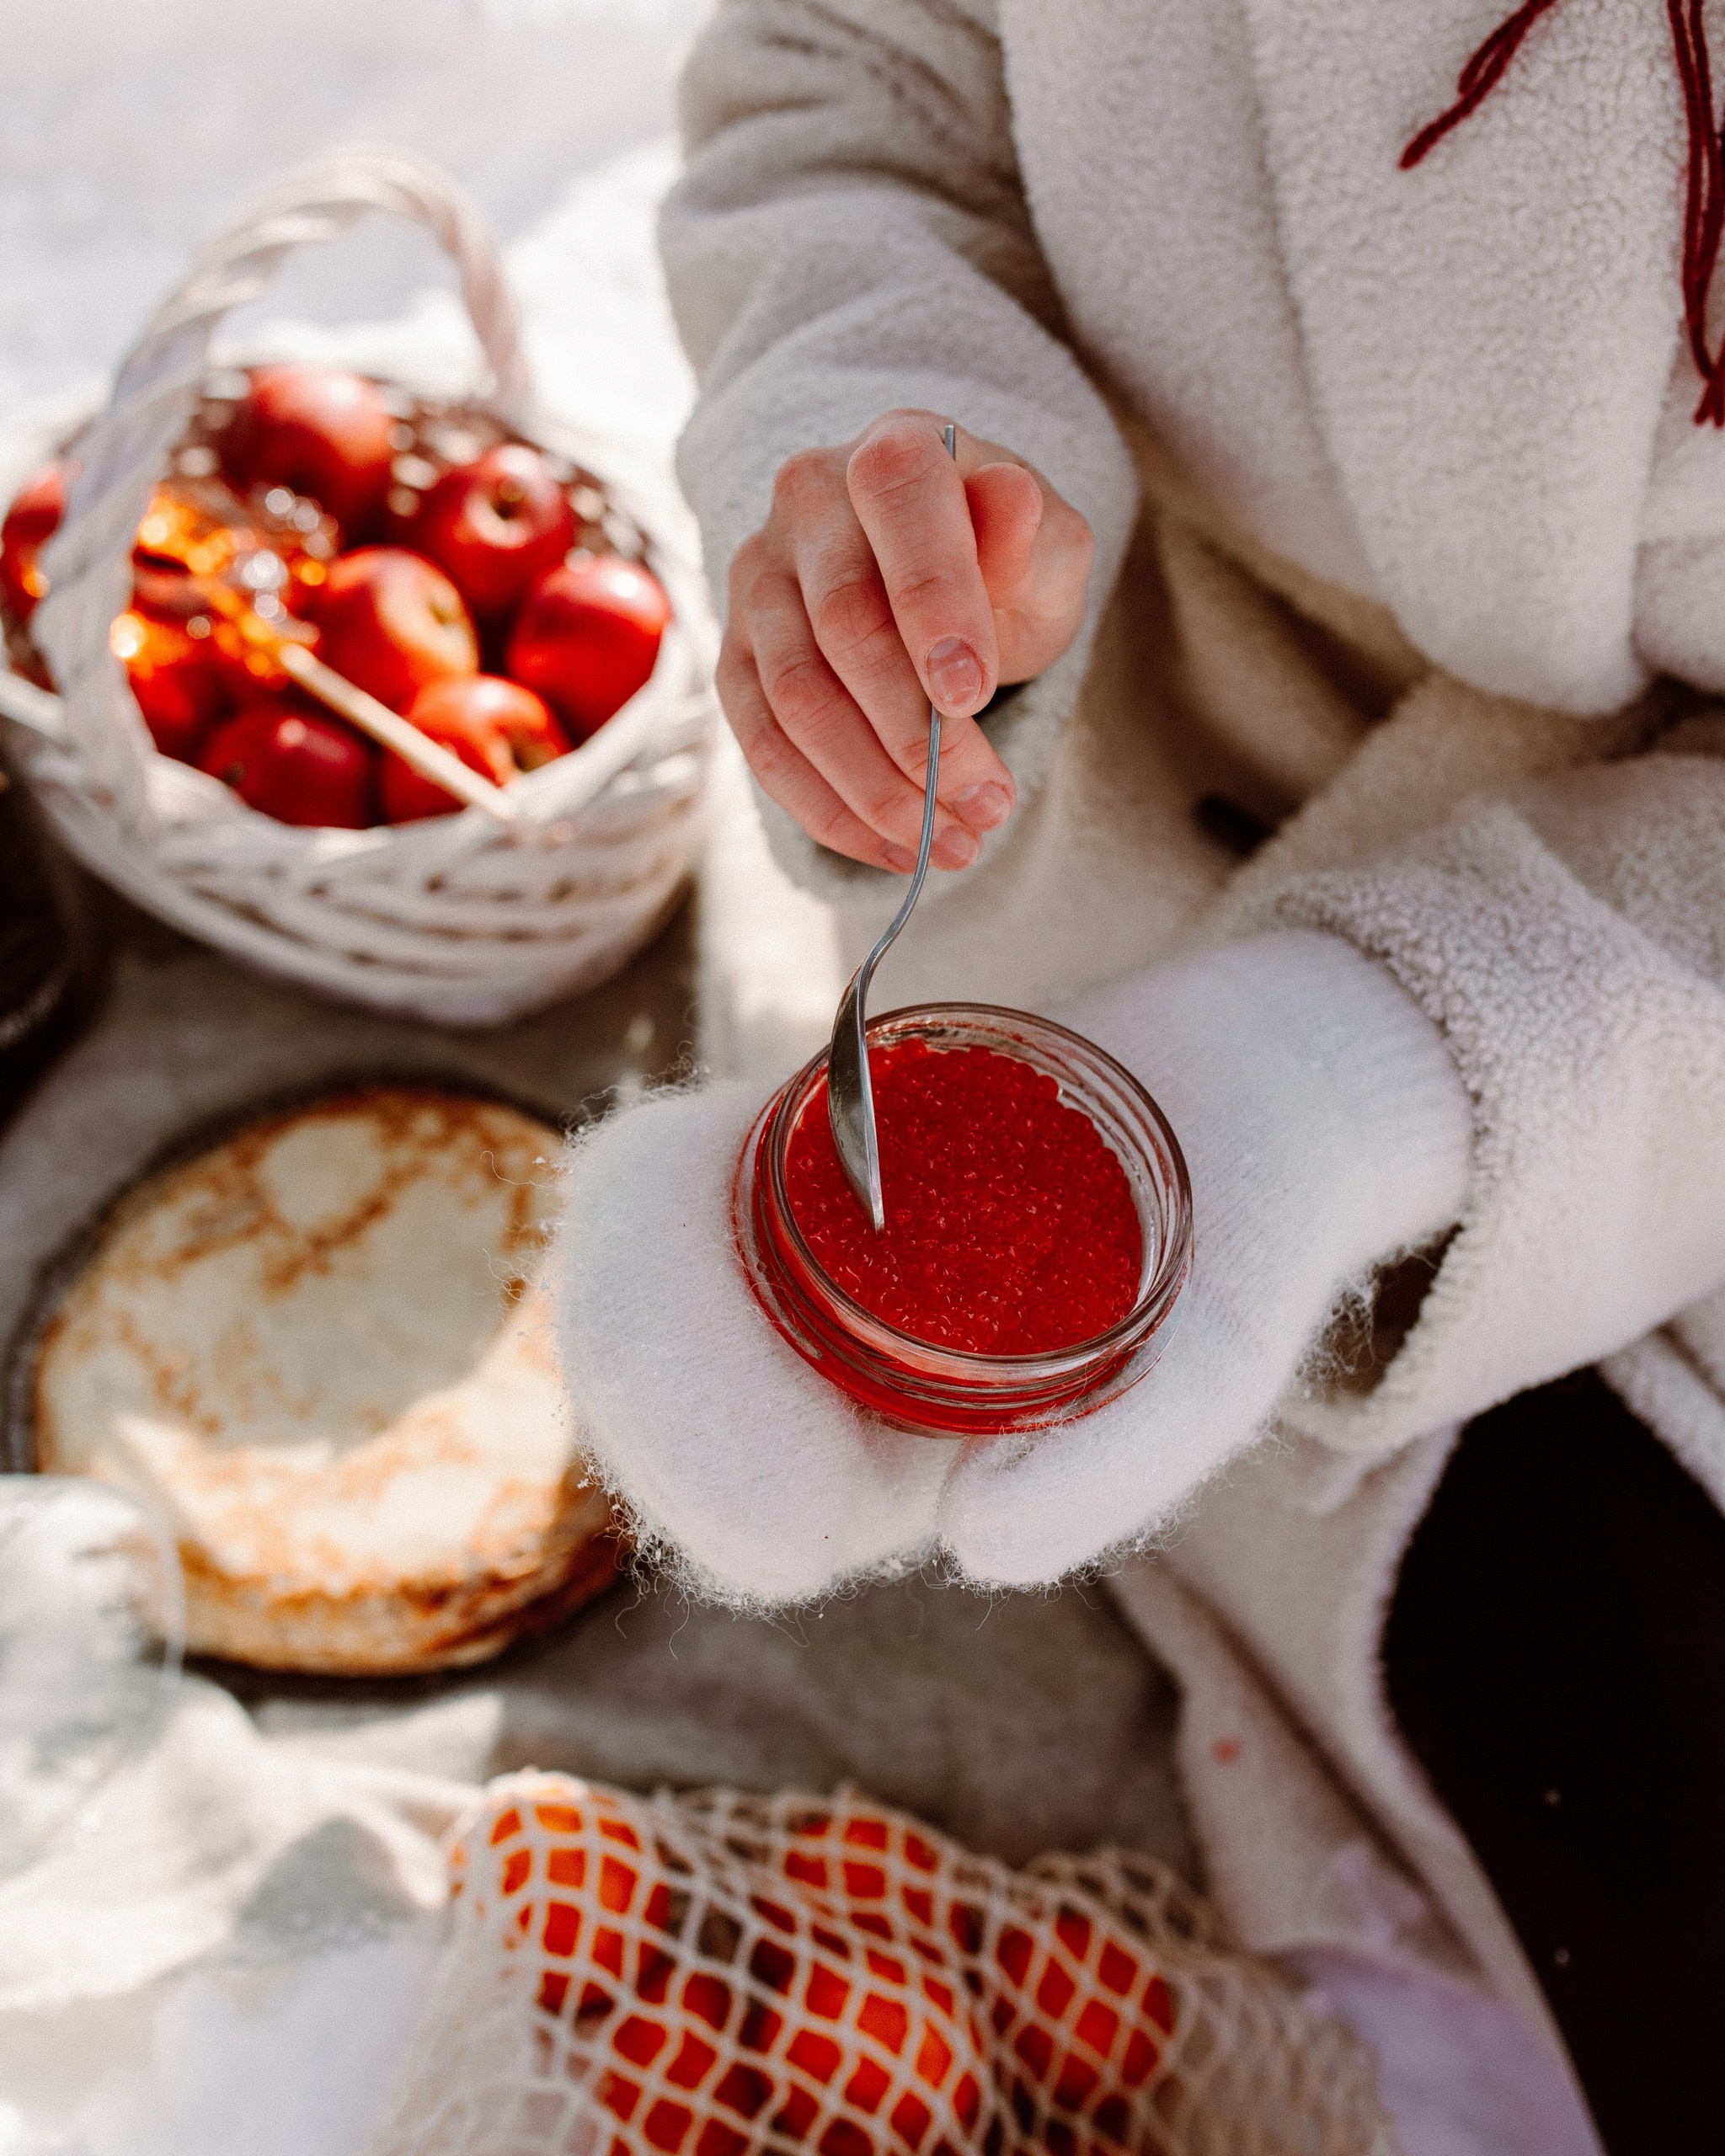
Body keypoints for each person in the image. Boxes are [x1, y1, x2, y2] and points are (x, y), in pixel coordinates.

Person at [558, 5, 1725, 2147]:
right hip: (1071, 843)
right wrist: (891, 429)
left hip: (1641, 1052)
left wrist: (1325, 1080)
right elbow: (846, 79)